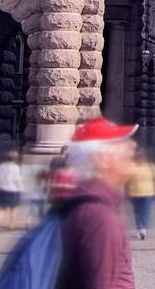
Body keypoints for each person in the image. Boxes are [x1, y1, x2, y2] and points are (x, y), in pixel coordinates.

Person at [56, 117, 139, 289]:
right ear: (101, 159)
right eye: (121, 143)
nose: (132, 146)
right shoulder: (100, 216)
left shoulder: (88, 203)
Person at [124, 148, 155, 240]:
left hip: (148, 193)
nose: (140, 158)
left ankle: (143, 229)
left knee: (145, 211)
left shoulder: (150, 166)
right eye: (138, 157)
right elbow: (125, 180)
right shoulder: (131, 166)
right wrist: (124, 191)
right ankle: (139, 228)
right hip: (134, 192)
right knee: (137, 212)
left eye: (141, 157)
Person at [0, 151, 26, 231]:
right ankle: (11, 226)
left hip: (3, 189)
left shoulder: (1, 166)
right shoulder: (16, 167)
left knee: (2, 208)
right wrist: (22, 188)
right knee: (13, 209)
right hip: (13, 190)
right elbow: (17, 180)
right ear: (15, 158)